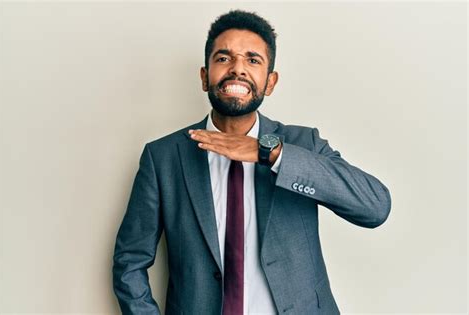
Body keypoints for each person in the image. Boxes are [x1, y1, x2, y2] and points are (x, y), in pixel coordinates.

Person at [112, 10, 391, 315]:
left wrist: (271, 154)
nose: (237, 69)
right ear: (205, 77)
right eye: (223, 58)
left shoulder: (303, 144)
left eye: (253, 60)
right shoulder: (163, 157)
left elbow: (375, 207)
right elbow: (129, 262)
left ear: (270, 82)